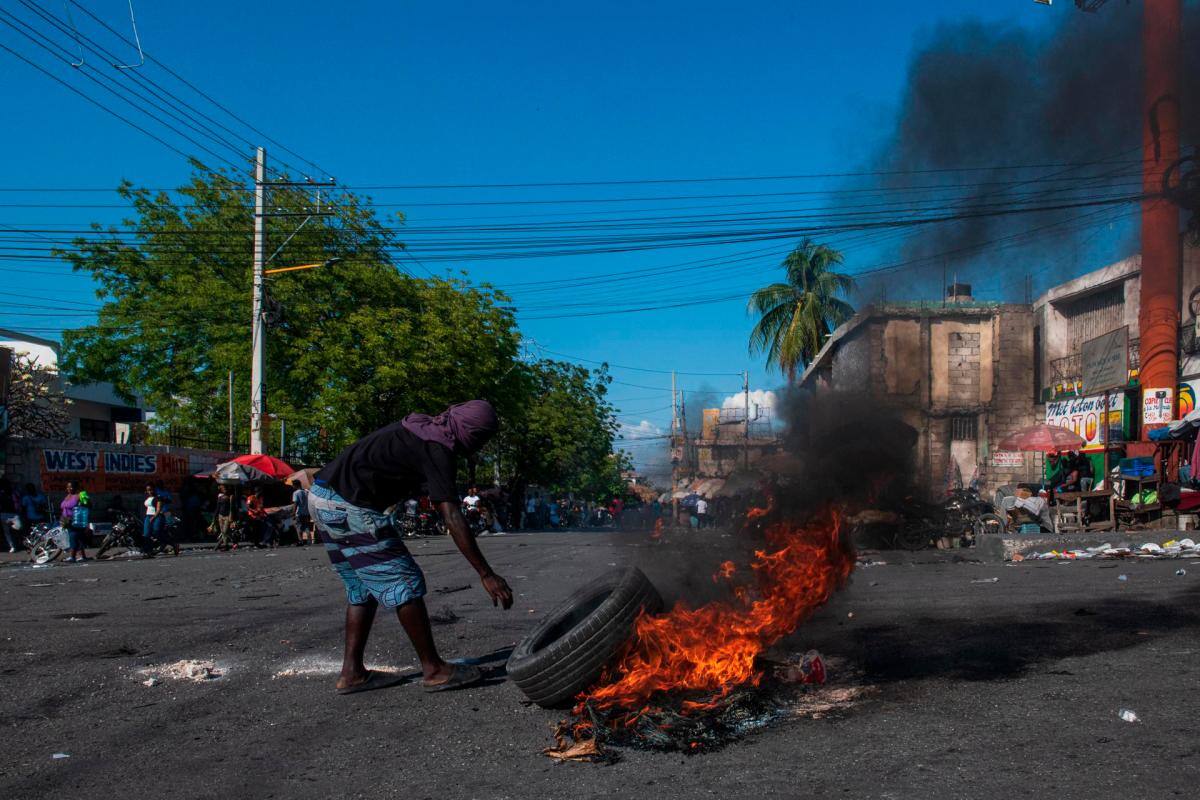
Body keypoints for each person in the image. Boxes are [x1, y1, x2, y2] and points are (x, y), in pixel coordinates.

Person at [310, 399, 513, 694]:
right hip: (349, 505)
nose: (477, 446)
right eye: (480, 438)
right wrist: (486, 573)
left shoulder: (422, 429)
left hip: (321, 496)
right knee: (405, 580)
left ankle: (352, 673)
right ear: (469, 430)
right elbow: (452, 515)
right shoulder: (437, 446)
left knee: (363, 588)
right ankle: (434, 669)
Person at [60, 481, 90, 562]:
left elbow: (87, 506)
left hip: (75, 520)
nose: (69, 489)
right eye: (68, 487)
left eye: (71, 487)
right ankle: (83, 556)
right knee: (78, 538)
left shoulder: (79, 496)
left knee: (73, 537)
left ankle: (72, 557)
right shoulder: (68, 496)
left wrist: (83, 503)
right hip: (66, 520)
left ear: (76, 487)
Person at [214, 485, 236, 551]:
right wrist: (215, 516)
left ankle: (231, 542)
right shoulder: (220, 497)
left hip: (227, 516)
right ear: (221, 489)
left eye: (226, 488)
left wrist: (231, 516)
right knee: (223, 532)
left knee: (225, 531)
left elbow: (232, 507)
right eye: (223, 488)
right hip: (220, 516)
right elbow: (218, 507)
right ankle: (226, 545)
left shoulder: (231, 496)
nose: (225, 489)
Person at [292, 480, 311, 545]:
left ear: (295, 485)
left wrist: (293, 513)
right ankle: (309, 540)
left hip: (299, 513)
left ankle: (301, 541)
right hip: (306, 512)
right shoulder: (306, 492)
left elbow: (295, 503)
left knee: (298, 527)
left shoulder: (296, 493)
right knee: (306, 526)